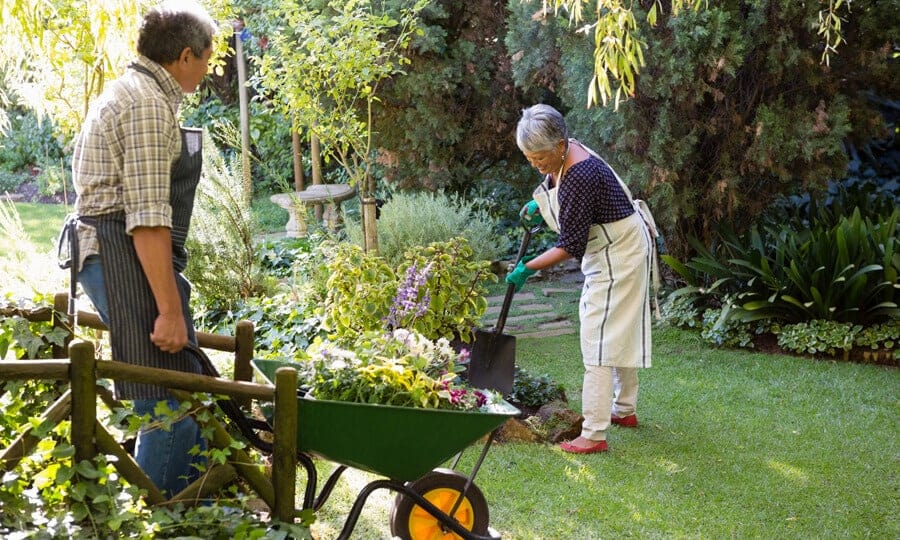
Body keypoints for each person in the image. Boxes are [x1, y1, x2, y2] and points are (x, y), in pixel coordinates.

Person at [66, 1, 217, 494]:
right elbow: (148, 222)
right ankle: (157, 520)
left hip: (117, 253)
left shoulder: (134, 90)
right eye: (209, 58)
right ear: (186, 56)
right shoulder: (148, 105)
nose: (210, 68)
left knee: (176, 395)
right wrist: (169, 311)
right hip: (119, 253)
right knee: (168, 402)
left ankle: (187, 508)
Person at [507, 104, 652, 454]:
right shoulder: (565, 154)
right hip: (614, 247)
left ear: (559, 145)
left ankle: (594, 434)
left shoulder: (581, 174)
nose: (534, 164)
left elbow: (570, 245)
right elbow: (558, 188)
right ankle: (624, 410)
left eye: (538, 156)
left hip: (619, 255)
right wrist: (538, 206)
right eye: (528, 158)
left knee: (597, 338)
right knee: (616, 330)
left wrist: (528, 267)